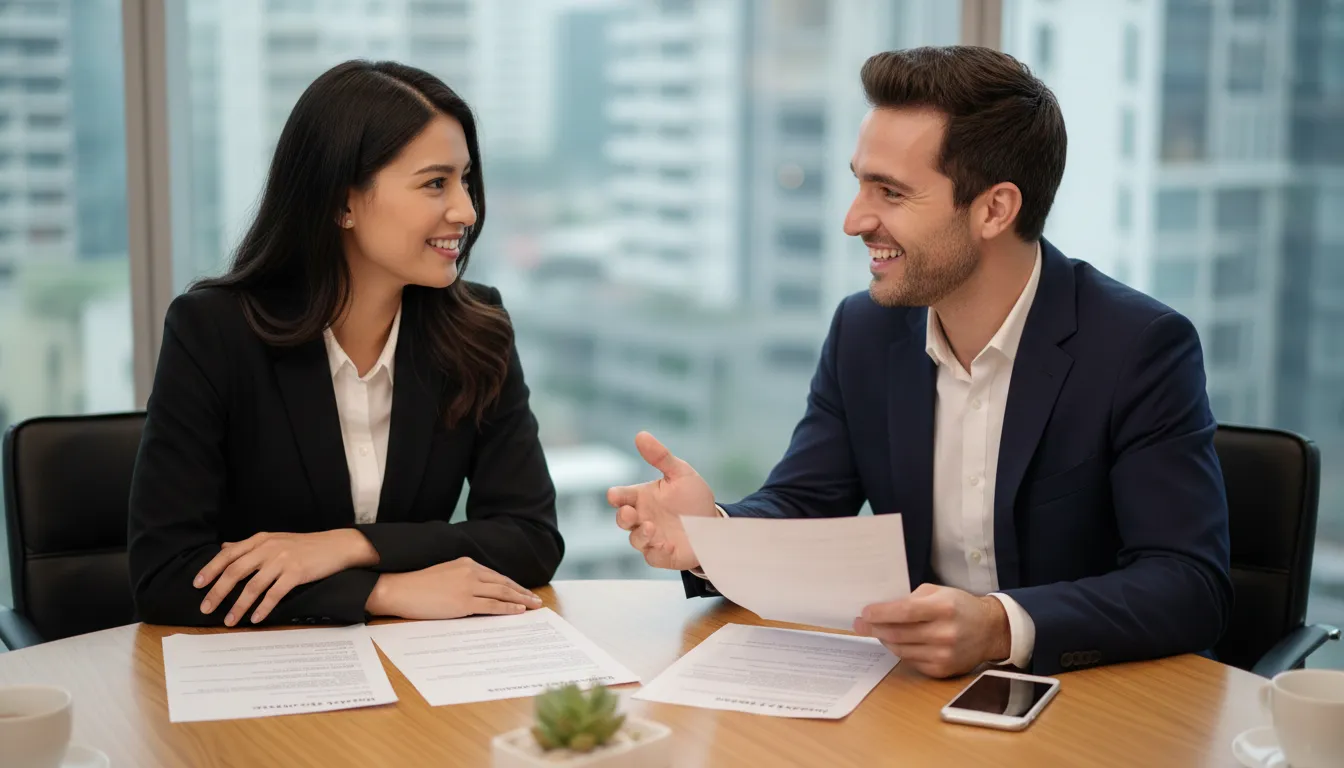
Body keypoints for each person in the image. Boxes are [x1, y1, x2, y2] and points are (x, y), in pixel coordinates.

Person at [609, 46, 1231, 679]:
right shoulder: (865, 330)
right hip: (916, 699)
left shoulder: (1137, 346)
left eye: (891, 192)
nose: (854, 220)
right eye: (859, 182)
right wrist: (710, 533)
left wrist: (999, 625)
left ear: (994, 209)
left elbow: (1188, 584)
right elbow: (805, 504)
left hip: (1090, 700)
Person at [128, 60, 563, 629]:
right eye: (436, 183)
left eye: (464, 179)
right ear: (342, 203)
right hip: (258, 685)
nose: (466, 210)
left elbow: (530, 538)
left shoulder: (477, 329)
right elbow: (166, 576)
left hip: (416, 677)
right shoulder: (213, 332)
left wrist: (351, 546)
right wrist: (379, 592)